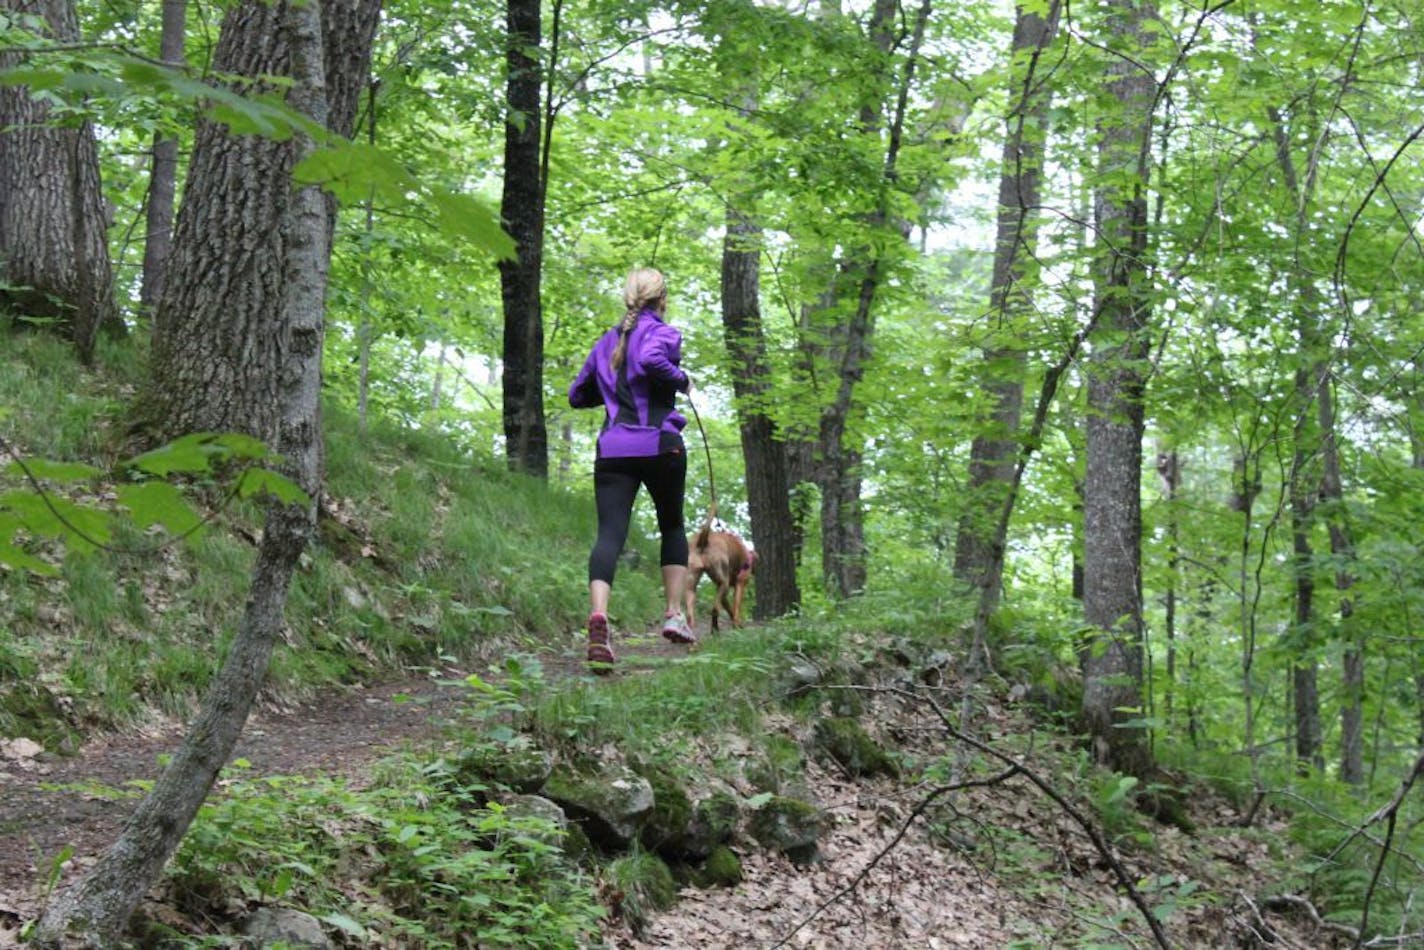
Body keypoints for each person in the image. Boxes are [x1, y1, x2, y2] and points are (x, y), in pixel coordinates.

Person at [568, 267, 697, 670]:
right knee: (672, 526)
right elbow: (651, 359)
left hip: (613, 449)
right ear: (662, 299)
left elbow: (577, 395)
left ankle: (599, 616)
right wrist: (683, 381)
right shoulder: (663, 332)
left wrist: (609, 393)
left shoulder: (606, 342)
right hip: (660, 443)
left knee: (610, 534)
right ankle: (674, 614)